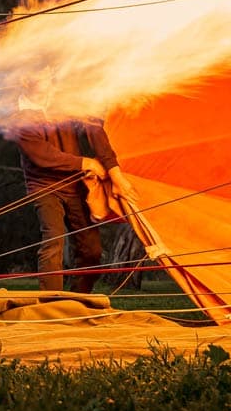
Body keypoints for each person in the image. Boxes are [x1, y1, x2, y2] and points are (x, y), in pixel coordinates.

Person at [12, 72, 137, 294]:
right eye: (42, 76)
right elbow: (44, 156)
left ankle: (77, 299)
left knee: (92, 250)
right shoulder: (20, 119)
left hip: (75, 185)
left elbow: (94, 130)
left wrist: (114, 172)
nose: (48, 80)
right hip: (44, 187)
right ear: (25, 80)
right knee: (54, 240)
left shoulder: (64, 103)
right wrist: (84, 162)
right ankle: (51, 304)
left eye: (49, 74)